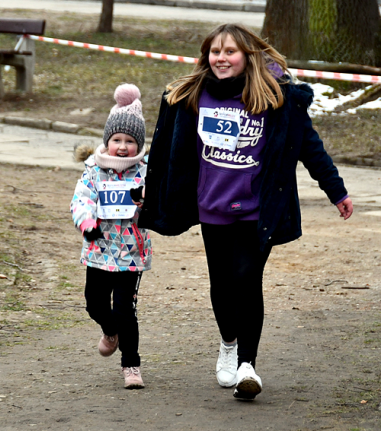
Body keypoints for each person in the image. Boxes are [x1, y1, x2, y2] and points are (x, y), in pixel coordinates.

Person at [138, 24, 353, 400]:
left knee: (247, 278)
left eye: (230, 52)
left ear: (248, 56)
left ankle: (247, 367)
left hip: (259, 209)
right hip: (212, 207)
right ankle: (228, 344)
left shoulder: (276, 98)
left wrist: (335, 190)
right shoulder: (190, 97)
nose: (221, 59)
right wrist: (148, 192)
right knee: (222, 284)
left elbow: (310, 147)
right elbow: (164, 153)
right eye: (215, 52)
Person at [70, 83, 152, 389]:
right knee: (94, 303)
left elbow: (157, 204)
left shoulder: (145, 171)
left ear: (138, 144)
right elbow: (81, 199)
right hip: (99, 249)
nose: (122, 146)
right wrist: (87, 223)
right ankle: (109, 330)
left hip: (131, 252)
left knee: (125, 310)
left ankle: (131, 364)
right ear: (107, 140)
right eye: (116, 139)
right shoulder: (94, 169)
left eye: (129, 141)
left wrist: (144, 199)